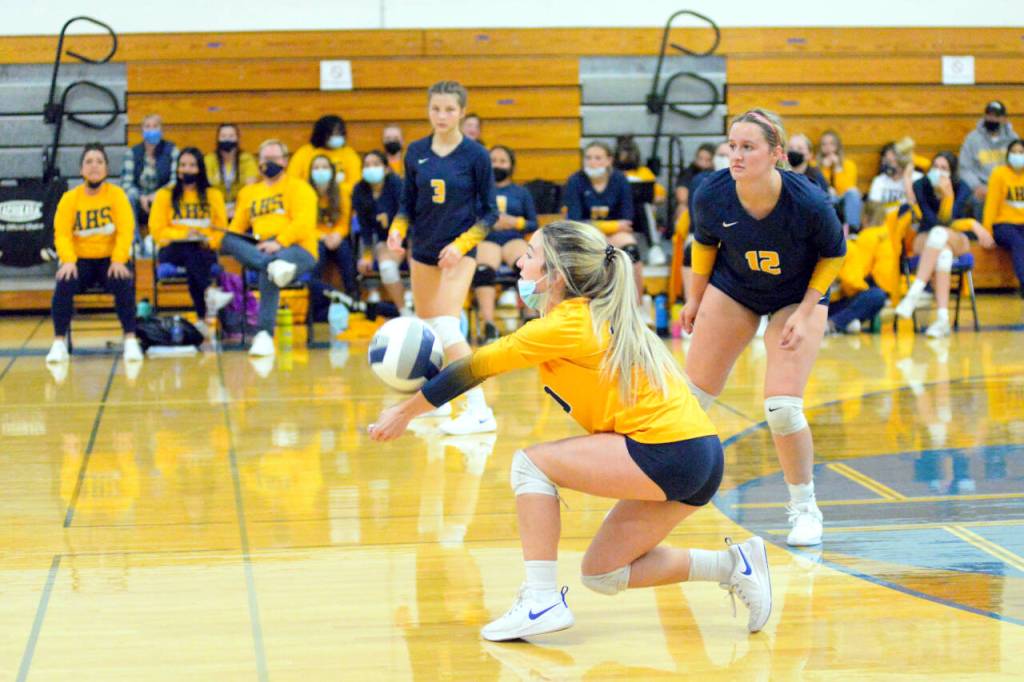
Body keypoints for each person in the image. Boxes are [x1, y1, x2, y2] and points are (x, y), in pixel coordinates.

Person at [368, 222, 771, 641]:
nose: (520, 263)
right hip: (696, 455)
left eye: (529, 254)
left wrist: (404, 413)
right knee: (604, 573)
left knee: (530, 466)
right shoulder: (592, 315)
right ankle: (734, 566)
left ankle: (540, 600)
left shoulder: (566, 324)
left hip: (669, 451)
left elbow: (473, 368)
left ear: (555, 276)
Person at [682, 108, 846, 547]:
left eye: (747, 147)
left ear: (776, 154)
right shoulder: (711, 193)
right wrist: (695, 298)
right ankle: (670, 486)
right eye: (732, 146)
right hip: (736, 288)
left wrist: (807, 309)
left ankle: (804, 507)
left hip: (797, 295)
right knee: (690, 397)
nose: (735, 155)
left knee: (782, 408)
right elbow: (704, 244)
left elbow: (834, 254)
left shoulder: (808, 201)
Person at [387, 80, 498, 434]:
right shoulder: (416, 151)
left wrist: (462, 245)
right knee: (428, 332)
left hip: (459, 253)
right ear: (428, 110)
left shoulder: (476, 155)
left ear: (462, 112)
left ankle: (479, 410)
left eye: (450, 109)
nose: (442, 115)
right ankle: (439, 399)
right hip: (422, 251)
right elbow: (406, 203)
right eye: (436, 108)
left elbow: (490, 213)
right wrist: (397, 229)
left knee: (447, 325)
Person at [46, 143, 143, 364]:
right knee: (64, 283)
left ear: (106, 169)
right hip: (80, 261)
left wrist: (119, 259)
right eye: (89, 162)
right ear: (81, 170)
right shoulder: (70, 199)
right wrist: (68, 261)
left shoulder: (117, 195)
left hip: (110, 260)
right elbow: (62, 234)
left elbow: (126, 230)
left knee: (123, 282)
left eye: (99, 161)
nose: (94, 166)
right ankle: (59, 343)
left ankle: (130, 340)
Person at [222, 139, 318, 357]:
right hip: (261, 248)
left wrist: (279, 242)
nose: (268, 163)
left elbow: (304, 223)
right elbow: (237, 228)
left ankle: (264, 335)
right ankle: (272, 265)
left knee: (270, 270)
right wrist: (243, 239)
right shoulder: (249, 192)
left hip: (297, 248)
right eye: (264, 159)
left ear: (284, 161)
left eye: (274, 159)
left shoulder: (299, 188)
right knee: (227, 240)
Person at [894, 151, 996, 337]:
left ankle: (913, 293)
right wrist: (973, 224)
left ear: (952, 172)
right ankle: (942, 320)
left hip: (956, 237)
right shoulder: (921, 185)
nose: (938, 172)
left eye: (943, 168)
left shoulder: (962, 187)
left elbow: (950, 222)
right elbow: (932, 221)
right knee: (943, 252)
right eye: (935, 167)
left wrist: (949, 197)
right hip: (926, 238)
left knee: (941, 234)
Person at [148, 147, 230, 327]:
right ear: (177, 169)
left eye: (192, 165)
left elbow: (221, 229)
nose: (187, 169)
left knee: (194, 254)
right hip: (172, 250)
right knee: (189, 248)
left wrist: (208, 240)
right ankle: (208, 298)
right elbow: (157, 230)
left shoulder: (213, 195)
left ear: (200, 169)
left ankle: (202, 317)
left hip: (204, 249)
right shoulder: (165, 195)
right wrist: (184, 234)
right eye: (183, 165)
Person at [473, 145, 538, 344]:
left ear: (511, 165)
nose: (497, 165)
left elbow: (533, 223)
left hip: (513, 238)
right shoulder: (478, 191)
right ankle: (489, 324)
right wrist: (488, 223)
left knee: (526, 266)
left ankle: (530, 318)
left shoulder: (521, 192)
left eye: (502, 161)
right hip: (488, 238)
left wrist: (514, 222)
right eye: (493, 161)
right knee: (483, 270)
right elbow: (468, 219)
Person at [563, 142, 643, 299]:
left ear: (609, 160)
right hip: (588, 234)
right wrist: (610, 226)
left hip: (616, 234)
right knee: (585, 255)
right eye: (588, 158)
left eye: (598, 158)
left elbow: (627, 219)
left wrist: (605, 228)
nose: (592, 162)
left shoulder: (620, 180)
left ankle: (637, 304)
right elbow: (576, 222)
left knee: (632, 252)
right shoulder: (575, 181)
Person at [352, 150, 408, 314]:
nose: (371, 168)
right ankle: (405, 312)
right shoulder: (360, 191)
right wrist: (367, 255)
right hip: (385, 239)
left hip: (412, 236)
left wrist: (410, 247)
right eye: (367, 165)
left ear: (386, 168)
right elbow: (365, 228)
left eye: (376, 164)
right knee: (387, 268)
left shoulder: (398, 185)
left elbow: (409, 216)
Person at [307, 154, 357, 320]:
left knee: (344, 251)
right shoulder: (305, 192)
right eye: (316, 168)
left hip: (336, 236)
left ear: (332, 171)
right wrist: (321, 236)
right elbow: (305, 222)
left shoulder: (342, 191)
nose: (320, 171)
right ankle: (314, 307)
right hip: (315, 237)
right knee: (317, 254)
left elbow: (345, 221)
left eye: (324, 167)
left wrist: (337, 234)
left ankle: (353, 298)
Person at [122, 114, 178, 246]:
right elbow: (126, 183)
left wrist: (157, 195)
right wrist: (142, 196)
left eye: (155, 126)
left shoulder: (172, 150)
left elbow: (176, 181)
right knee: (129, 196)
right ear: (142, 131)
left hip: (163, 198)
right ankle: (134, 241)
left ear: (161, 130)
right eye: (147, 127)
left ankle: (164, 240)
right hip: (140, 201)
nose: (151, 130)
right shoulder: (132, 153)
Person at [960, 101, 1018, 218]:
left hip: (1007, 185)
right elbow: (964, 168)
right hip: (981, 186)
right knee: (979, 199)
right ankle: (985, 234)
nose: (992, 119)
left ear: (1004, 119)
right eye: (989, 115)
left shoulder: (1013, 138)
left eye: (996, 116)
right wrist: (976, 185)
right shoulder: (972, 138)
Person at [287, 114, 361, 205]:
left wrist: (332, 189)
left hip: (340, 203)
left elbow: (355, 185)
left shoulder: (349, 154)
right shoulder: (304, 153)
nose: (337, 137)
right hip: (308, 201)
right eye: (333, 134)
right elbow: (292, 181)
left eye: (339, 134)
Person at [984, 138, 1024, 295]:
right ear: (1008, 155)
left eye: (1021, 152)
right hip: (1004, 224)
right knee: (1019, 242)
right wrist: (986, 231)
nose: (1017, 155)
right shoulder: (999, 173)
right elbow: (991, 204)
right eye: (1014, 152)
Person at [204, 123, 258, 220]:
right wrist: (220, 209)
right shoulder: (209, 160)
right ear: (218, 139)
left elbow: (251, 187)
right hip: (215, 209)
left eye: (231, 136)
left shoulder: (247, 159)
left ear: (237, 139)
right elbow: (206, 188)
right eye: (223, 136)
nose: (227, 139)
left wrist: (236, 209)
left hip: (240, 209)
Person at [817, 130, 862, 232]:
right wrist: (823, 168)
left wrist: (838, 168)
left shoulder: (849, 165)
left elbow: (848, 188)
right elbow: (817, 185)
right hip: (826, 197)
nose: (828, 147)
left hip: (843, 198)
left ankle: (852, 230)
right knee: (830, 196)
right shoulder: (816, 166)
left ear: (838, 146)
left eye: (832, 144)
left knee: (854, 193)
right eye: (824, 144)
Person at [867, 140, 921, 215]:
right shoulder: (879, 180)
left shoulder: (918, 178)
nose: (888, 165)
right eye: (886, 161)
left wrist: (907, 178)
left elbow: (915, 208)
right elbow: (873, 211)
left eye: (892, 161)